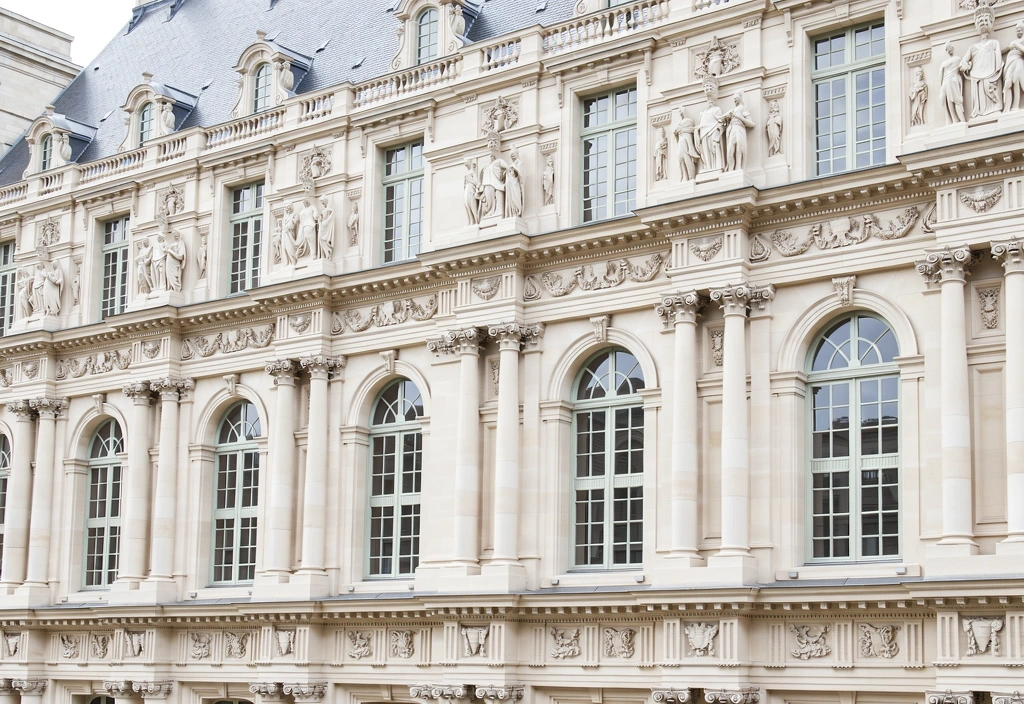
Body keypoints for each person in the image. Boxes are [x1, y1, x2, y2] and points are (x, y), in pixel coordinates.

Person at [960, 6, 1003, 117]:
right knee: (980, 97)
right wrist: (966, 66)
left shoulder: (994, 43)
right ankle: (980, 113)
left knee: (990, 90)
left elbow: (999, 62)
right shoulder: (973, 47)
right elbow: (963, 63)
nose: (983, 23)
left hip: (991, 74)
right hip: (977, 76)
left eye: (985, 20)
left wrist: (996, 71)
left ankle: (994, 109)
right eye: (980, 21)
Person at [696, 81, 724, 172]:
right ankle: (708, 167)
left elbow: (720, 121)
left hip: (713, 131)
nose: (709, 102)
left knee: (714, 149)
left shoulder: (716, 109)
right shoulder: (702, 113)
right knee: (705, 151)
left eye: (711, 100)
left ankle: (716, 167)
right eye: (708, 100)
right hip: (703, 133)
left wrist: (719, 130)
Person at [724, 91, 754, 172]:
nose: (735, 101)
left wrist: (740, 117)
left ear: (740, 98)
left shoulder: (743, 108)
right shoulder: (733, 110)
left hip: (739, 128)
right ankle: (731, 169)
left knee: (739, 148)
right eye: (734, 99)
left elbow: (751, 123)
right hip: (732, 129)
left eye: (736, 99)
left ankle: (738, 168)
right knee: (730, 149)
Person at [940, 42, 966, 124]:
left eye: (950, 47)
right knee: (944, 99)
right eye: (948, 48)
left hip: (953, 81)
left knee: (955, 100)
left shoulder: (957, 59)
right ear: (946, 50)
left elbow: (963, 68)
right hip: (946, 82)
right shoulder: (944, 63)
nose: (949, 49)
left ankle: (961, 120)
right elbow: (940, 76)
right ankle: (953, 119)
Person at [1004, 21, 1024, 111]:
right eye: (1017, 30)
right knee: (1008, 82)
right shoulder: (1014, 42)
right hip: (1010, 63)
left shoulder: (1020, 42)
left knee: (1016, 80)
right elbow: (1002, 51)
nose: (1018, 32)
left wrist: (1016, 45)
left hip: (1018, 61)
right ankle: (1008, 107)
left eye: (1020, 30)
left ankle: (1015, 105)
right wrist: (1009, 47)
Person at [504, 148, 523, 218]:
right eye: (511, 155)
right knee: (511, 199)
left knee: (515, 197)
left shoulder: (520, 163)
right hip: (510, 185)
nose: (512, 156)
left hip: (515, 184)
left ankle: (517, 211)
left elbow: (521, 175)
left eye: (513, 155)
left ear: (517, 154)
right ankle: (512, 212)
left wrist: (514, 169)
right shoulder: (511, 165)